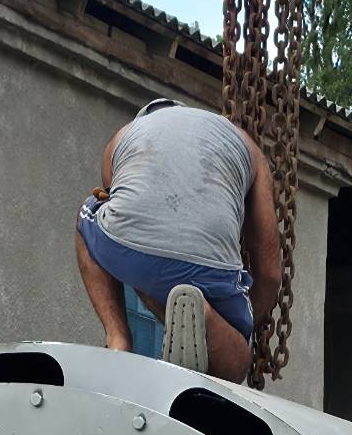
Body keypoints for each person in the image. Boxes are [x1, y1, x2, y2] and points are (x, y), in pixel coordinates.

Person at [76, 97, 287, 384]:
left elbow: (119, 217)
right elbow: (271, 272)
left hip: (132, 249)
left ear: (146, 119)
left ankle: (118, 339)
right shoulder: (247, 146)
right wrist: (244, 323)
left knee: (94, 214)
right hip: (212, 263)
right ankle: (205, 316)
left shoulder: (123, 136)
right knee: (237, 357)